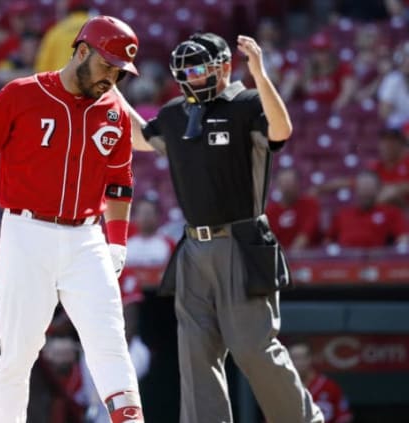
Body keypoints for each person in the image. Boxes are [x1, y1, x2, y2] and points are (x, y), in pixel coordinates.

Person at [0, 15, 144, 422]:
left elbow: (120, 182)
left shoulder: (115, 111)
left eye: (121, 72)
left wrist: (118, 240)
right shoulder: (22, 93)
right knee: (18, 353)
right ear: (82, 51)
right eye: (108, 65)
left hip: (87, 237)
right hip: (26, 231)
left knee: (110, 343)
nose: (113, 78)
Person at [128, 32, 323, 422]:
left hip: (241, 239)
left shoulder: (246, 103)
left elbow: (281, 131)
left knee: (253, 346)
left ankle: (304, 420)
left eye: (199, 69)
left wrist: (260, 75)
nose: (192, 77)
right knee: (196, 351)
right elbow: (141, 140)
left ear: (222, 68)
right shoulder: (174, 112)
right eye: (185, 71)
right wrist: (108, 88)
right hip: (192, 247)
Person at [326, 170, 409, 248]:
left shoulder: (391, 213)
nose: (365, 191)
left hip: (377, 260)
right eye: (362, 187)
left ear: (377, 190)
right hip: (345, 259)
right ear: (356, 190)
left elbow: (403, 238)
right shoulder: (342, 214)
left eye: (369, 187)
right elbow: (328, 240)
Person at [289, 342, 354, 423]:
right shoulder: (282, 387)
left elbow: (344, 417)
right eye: (295, 358)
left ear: (310, 358)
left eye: (303, 357)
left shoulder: (329, 386)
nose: (299, 363)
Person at [266, 167, 322, 251]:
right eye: (284, 182)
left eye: (290, 182)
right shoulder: (269, 211)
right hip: (280, 257)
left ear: (298, 184)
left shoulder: (310, 204)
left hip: (307, 257)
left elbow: (306, 234)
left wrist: (291, 256)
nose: (287, 187)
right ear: (277, 185)